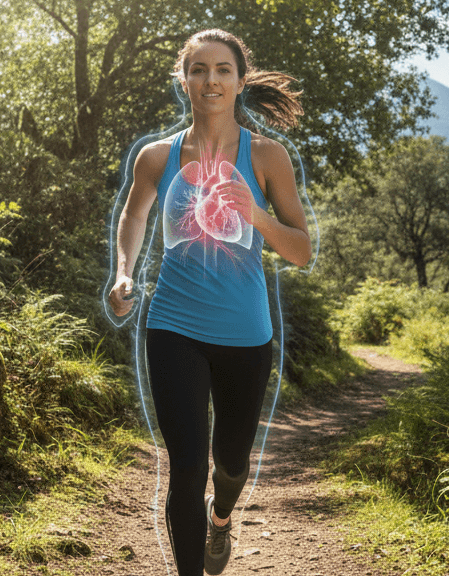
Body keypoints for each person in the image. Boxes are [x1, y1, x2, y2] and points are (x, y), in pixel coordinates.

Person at [107, 29, 311, 576]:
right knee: (187, 466)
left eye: (222, 69)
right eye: (198, 69)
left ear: (240, 81)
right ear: (184, 79)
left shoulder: (267, 156)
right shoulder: (157, 156)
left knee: (230, 464)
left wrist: (258, 216)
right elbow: (134, 215)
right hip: (173, 326)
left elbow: (302, 251)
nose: (210, 79)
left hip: (246, 333)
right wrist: (123, 273)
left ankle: (222, 518)